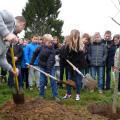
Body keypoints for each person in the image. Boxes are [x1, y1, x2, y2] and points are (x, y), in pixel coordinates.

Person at [30, 34, 60, 101]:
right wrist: (31, 63)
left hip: (51, 67)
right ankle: (41, 95)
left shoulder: (52, 50)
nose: (51, 43)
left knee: (53, 81)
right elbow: (35, 54)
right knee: (42, 81)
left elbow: (50, 61)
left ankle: (55, 95)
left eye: (51, 42)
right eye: (49, 42)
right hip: (42, 66)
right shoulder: (40, 47)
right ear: (44, 41)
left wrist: (48, 72)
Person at [61, 29, 86, 101]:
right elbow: (64, 54)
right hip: (70, 66)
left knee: (78, 80)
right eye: (73, 35)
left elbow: (81, 57)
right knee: (69, 79)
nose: (75, 37)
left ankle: (78, 94)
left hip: (79, 66)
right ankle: (68, 94)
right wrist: (65, 56)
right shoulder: (67, 45)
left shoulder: (80, 45)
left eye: (76, 35)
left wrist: (77, 66)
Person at [0, 10, 26, 75]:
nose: (21, 31)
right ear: (22, 24)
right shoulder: (10, 18)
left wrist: (11, 69)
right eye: (23, 28)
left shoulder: (10, 40)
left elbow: (1, 58)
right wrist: (6, 34)